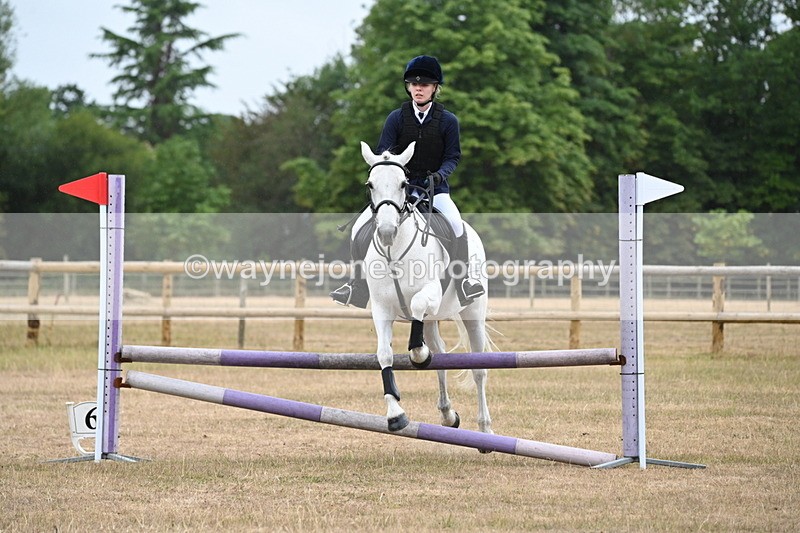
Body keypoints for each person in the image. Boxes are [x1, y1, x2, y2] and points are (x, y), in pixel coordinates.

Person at [330, 55, 485, 308]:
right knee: (359, 227)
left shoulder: (448, 121)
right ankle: (356, 285)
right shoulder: (396, 118)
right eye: (414, 84)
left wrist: (440, 175)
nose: (418, 89)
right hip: (399, 190)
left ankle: (464, 281)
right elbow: (384, 153)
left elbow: (453, 157)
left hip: (435, 189)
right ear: (408, 87)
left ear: (435, 88)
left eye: (424, 84)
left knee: (456, 224)